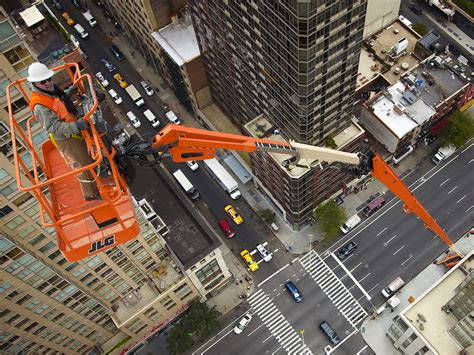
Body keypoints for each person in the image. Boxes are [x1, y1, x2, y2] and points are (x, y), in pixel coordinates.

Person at [27, 62, 100, 200]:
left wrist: (69, 92)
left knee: (88, 156)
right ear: (35, 83)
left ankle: (95, 183)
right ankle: (91, 194)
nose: (48, 83)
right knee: (83, 165)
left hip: (71, 129)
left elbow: (58, 103)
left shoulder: (50, 91)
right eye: (43, 81)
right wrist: (76, 126)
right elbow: (53, 127)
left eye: (49, 79)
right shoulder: (39, 106)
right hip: (66, 137)